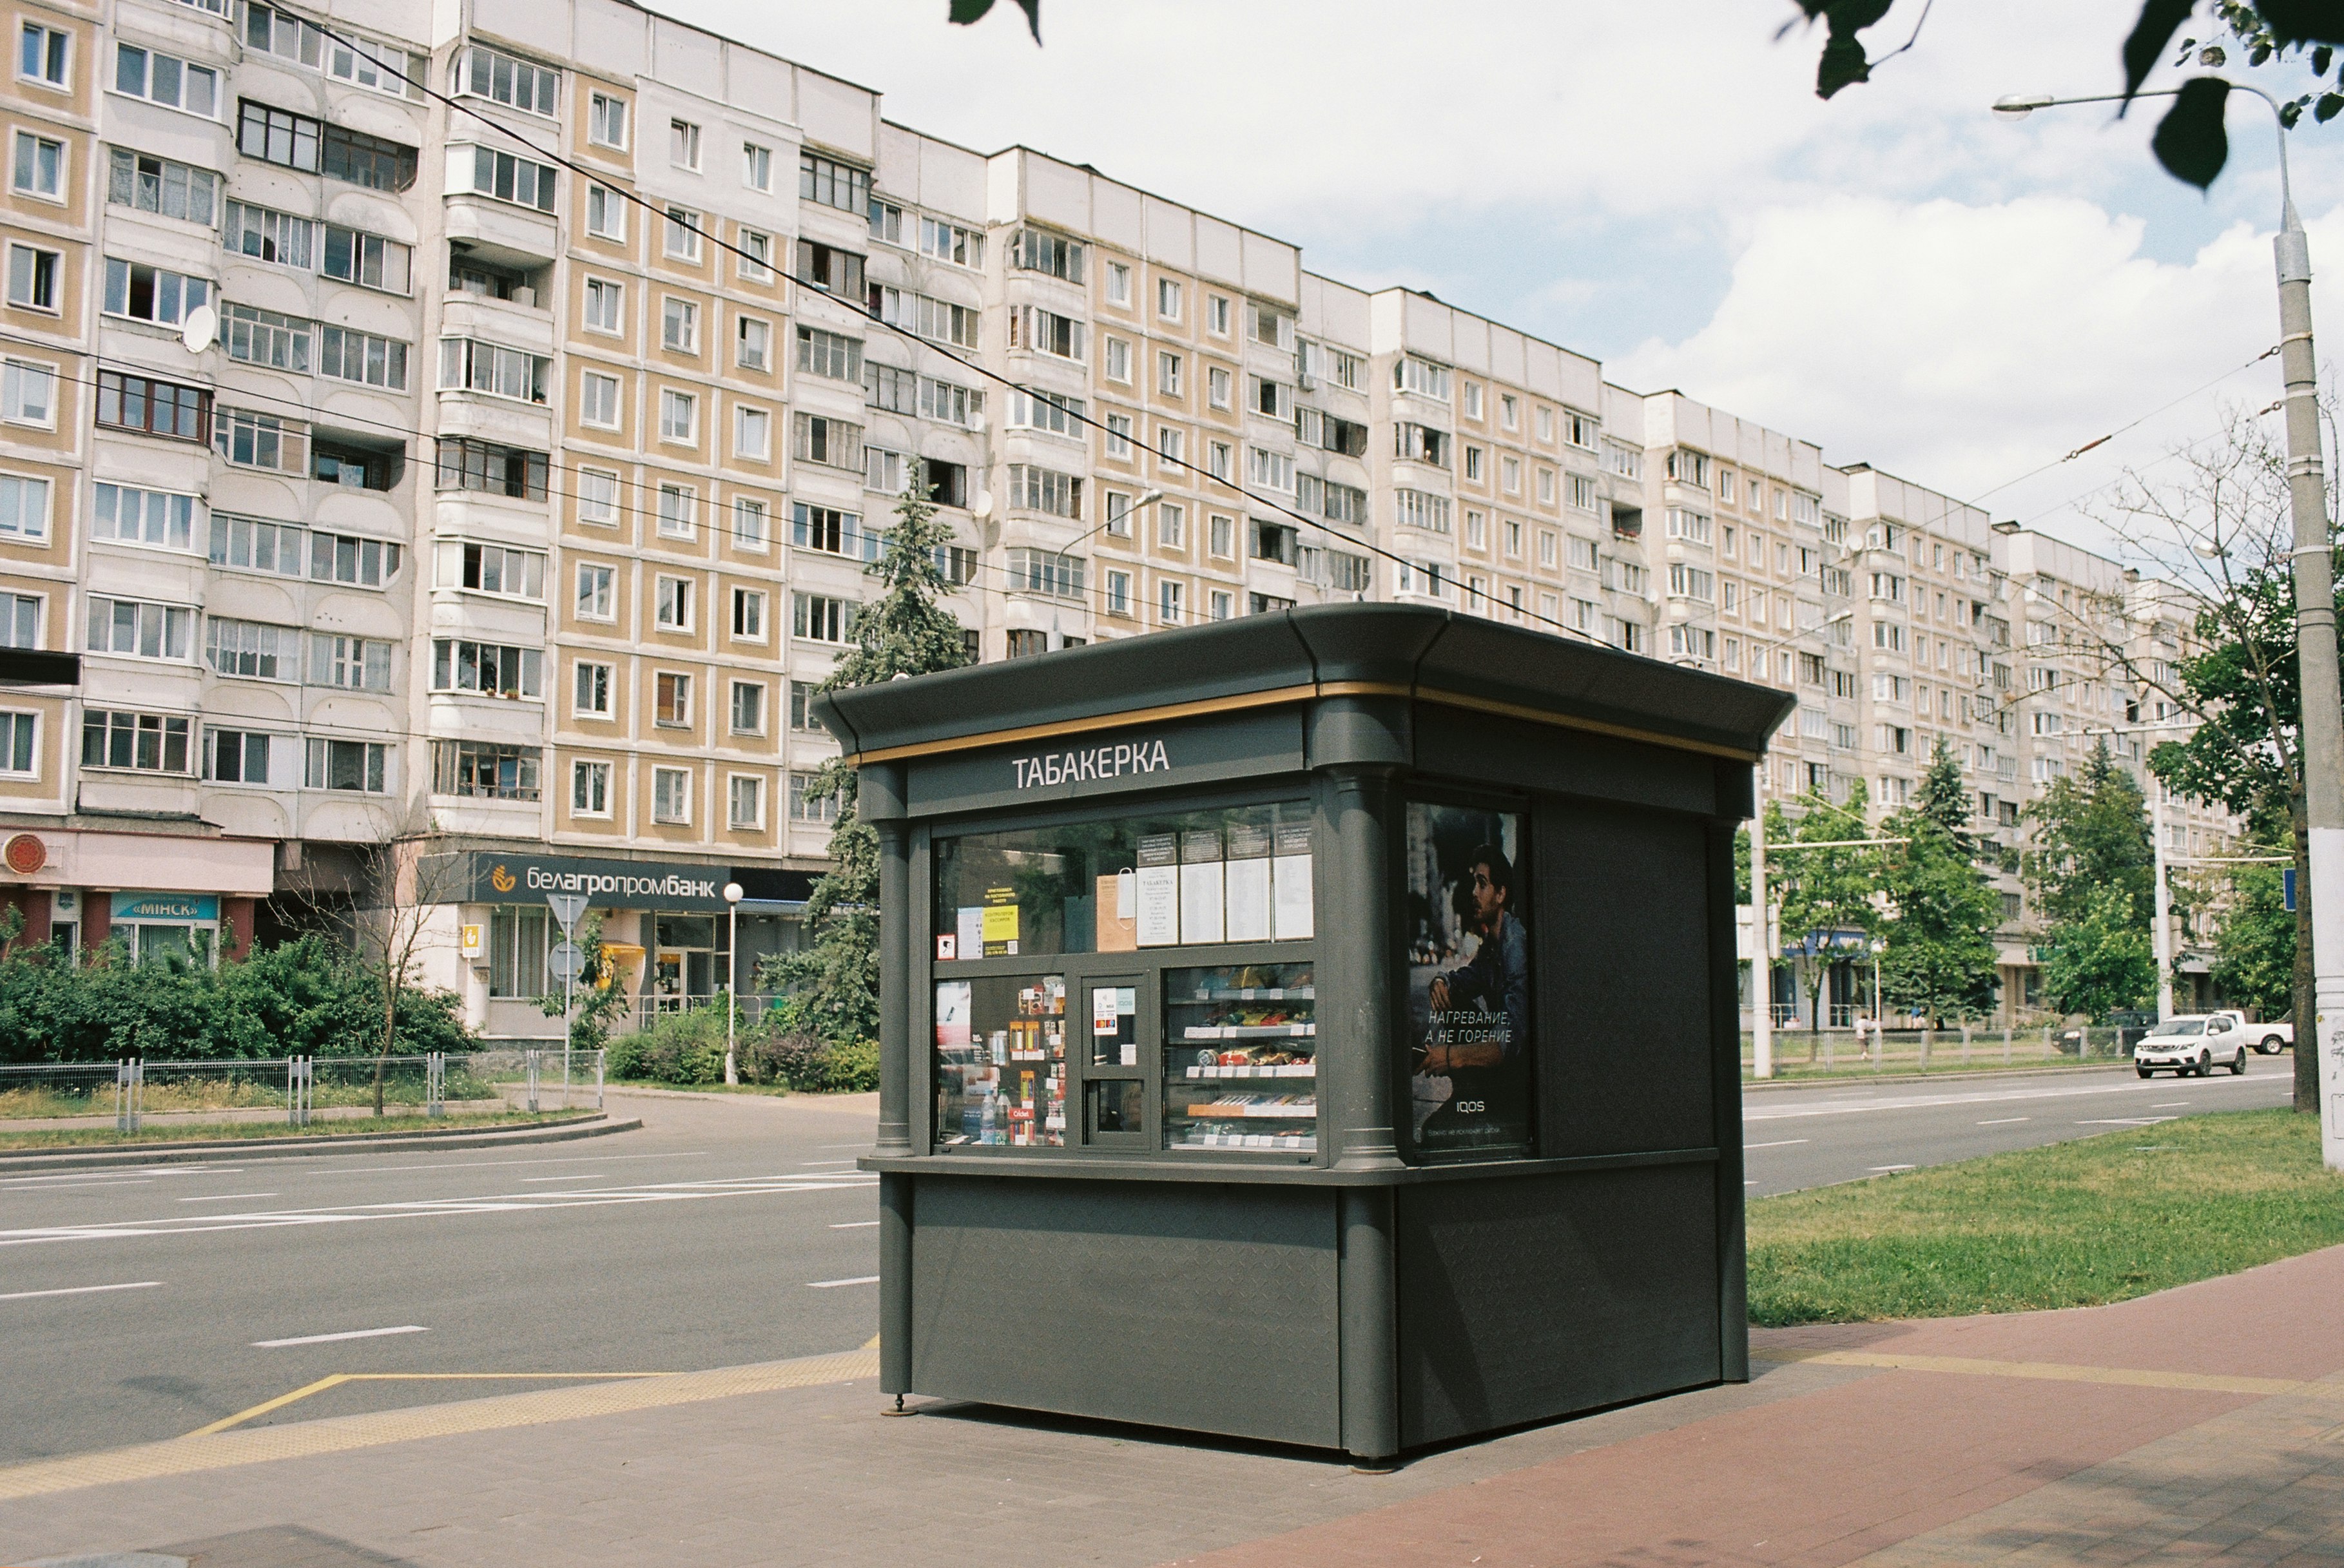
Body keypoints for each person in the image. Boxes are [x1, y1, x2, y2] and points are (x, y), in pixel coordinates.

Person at [1425, 844, 1529, 1075]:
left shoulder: (1515, 946)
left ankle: (1484, 1093)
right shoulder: (1492, 945)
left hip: (1522, 1071)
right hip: (1500, 1048)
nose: (1474, 892)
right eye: (1474, 883)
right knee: (1450, 995)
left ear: (1501, 894)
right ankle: (1469, 1089)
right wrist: (1441, 981)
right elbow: (1466, 978)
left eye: (1482, 884)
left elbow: (1510, 1041)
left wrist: (1452, 1057)